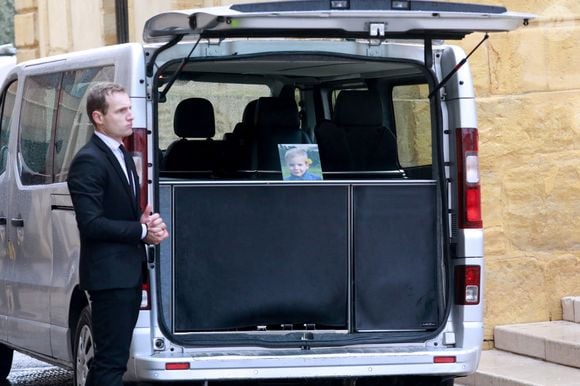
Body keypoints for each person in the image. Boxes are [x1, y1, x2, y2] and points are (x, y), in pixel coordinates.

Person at [67, 82, 169, 386]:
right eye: (122, 110)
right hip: (109, 277)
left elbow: (117, 213)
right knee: (110, 364)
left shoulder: (121, 154)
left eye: (130, 108)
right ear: (98, 117)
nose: (130, 116)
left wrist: (143, 220)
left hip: (125, 272)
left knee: (114, 360)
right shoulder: (89, 160)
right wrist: (141, 231)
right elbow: (91, 223)